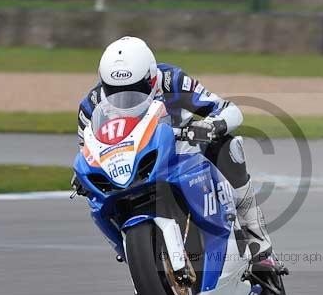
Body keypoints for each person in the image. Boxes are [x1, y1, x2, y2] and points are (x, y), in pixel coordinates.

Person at [73, 36, 274, 262]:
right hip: (128, 165)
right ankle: (129, 251)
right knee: (92, 196)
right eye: (114, 90)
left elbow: (228, 110)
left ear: (150, 78)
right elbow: (87, 147)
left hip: (179, 154)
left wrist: (211, 125)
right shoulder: (91, 104)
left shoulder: (171, 80)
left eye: (135, 89)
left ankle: (256, 238)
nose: (125, 97)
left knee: (228, 146)